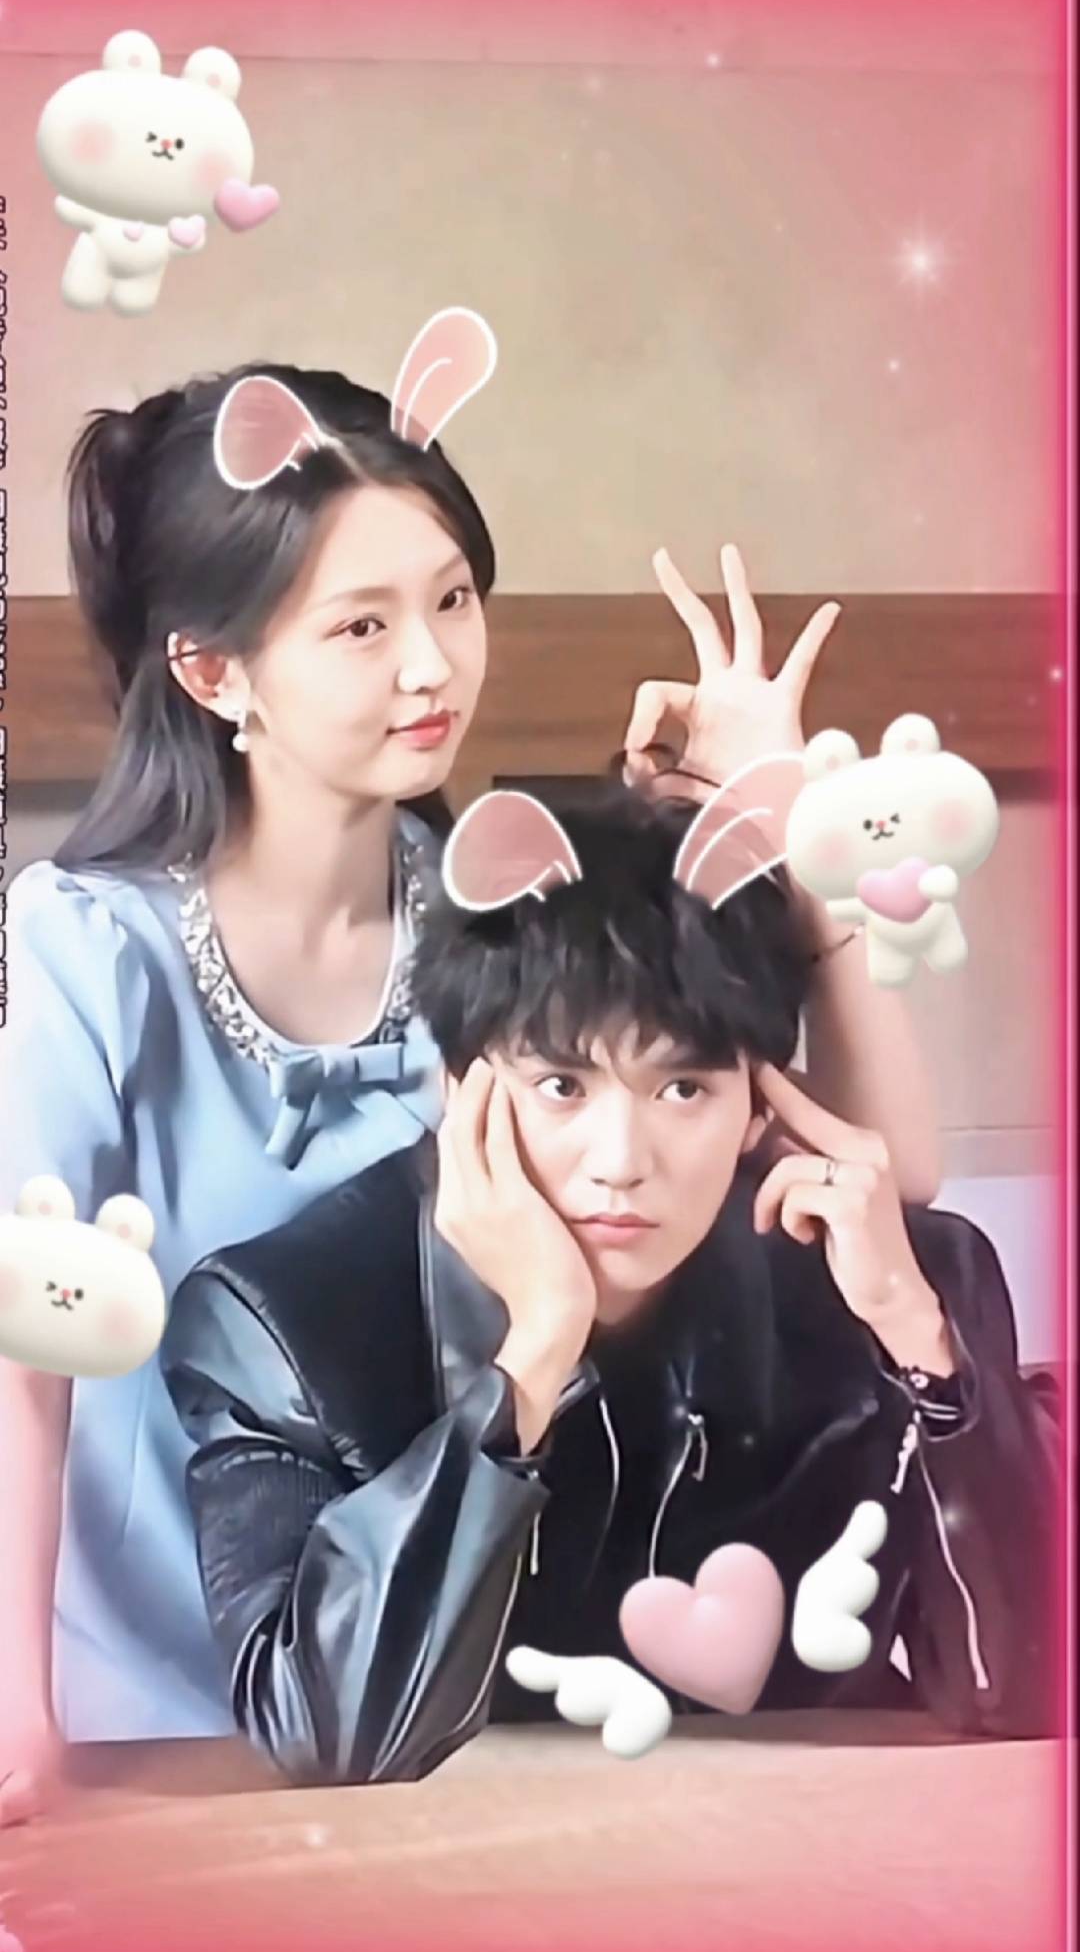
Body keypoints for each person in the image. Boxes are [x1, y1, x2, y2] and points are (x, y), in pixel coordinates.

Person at [0, 354, 940, 1819]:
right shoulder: (84, 948)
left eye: (451, 599)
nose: (433, 664)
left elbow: (888, 1185)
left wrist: (775, 835)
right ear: (212, 669)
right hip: (151, 1723)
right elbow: (23, 1354)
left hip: (440, 1687)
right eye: (362, 625)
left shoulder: (496, 911)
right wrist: (20, 1712)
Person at [160, 785, 1056, 1787]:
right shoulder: (280, 1325)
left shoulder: (899, 1284)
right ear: (460, 1087)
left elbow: (1030, 1694)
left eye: (683, 1089)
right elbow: (334, 1739)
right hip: (477, 1870)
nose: (622, 1161)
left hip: (802, 1848)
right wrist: (530, 1364)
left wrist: (919, 1342)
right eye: (562, 1086)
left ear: (762, 1106)